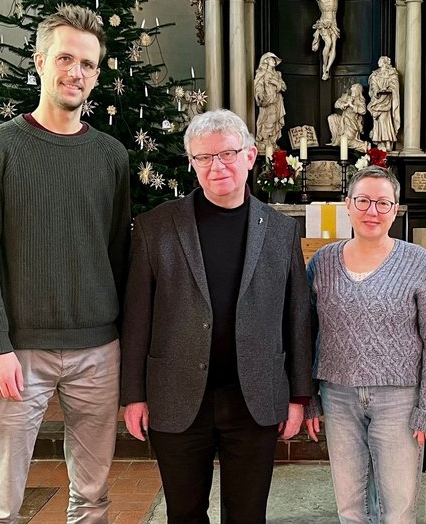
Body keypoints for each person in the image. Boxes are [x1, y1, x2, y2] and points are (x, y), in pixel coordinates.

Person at [0, 5, 130, 523]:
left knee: (93, 495)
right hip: (19, 354)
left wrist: (124, 337)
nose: (75, 72)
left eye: (87, 63)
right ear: (40, 61)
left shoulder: (111, 155)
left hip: (98, 352)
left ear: (97, 74)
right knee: (2, 501)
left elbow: (117, 255)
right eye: (65, 58)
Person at [120, 109, 312, 523]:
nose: (216, 166)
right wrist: (133, 393)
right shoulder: (156, 227)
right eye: (203, 158)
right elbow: (137, 317)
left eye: (226, 154)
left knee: (247, 514)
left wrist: (299, 395)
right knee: (185, 513)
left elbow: (296, 317)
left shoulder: (281, 231)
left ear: (250, 155)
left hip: (254, 396)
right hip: (177, 393)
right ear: (191, 162)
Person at [304, 165, 426, 524]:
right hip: (337, 396)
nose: (373, 211)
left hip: (399, 399)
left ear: (396, 209)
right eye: (364, 201)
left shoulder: (417, 262)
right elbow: (304, 333)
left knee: (398, 509)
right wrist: (308, 398)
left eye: (383, 203)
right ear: (348, 205)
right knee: (351, 508)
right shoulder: (322, 262)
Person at [286, 0, 366, 80]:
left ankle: (328, 68)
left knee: (333, 46)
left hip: (334, 23)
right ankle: (324, 66)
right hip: (323, 22)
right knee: (328, 44)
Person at [254, 52, 287, 153]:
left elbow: (284, 87)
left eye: (274, 59)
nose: (274, 61)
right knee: (269, 120)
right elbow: (258, 85)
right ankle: (264, 140)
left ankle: (272, 141)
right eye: (272, 59)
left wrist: (276, 83)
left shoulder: (277, 74)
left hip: (277, 100)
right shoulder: (262, 73)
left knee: (275, 120)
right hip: (267, 101)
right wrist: (259, 94)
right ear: (266, 61)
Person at [367, 56, 401, 150]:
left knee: (386, 121)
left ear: (385, 62)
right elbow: (373, 85)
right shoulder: (375, 74)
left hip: (387, 100)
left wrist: (388, 89)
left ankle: (388, 141)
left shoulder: (392, 73)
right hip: (378, 100)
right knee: (378, 121)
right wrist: (377, 90)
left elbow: (394, 85)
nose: (379, 62)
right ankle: (380, 141)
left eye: (381, 60)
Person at [327, 83, 368, 152]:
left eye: (354, 87)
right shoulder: (346, 96)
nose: (352, 88)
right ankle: (336, 139)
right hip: (343, 120)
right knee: (331, 117)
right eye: (352, 87)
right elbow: (337, 104)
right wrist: (345, 104)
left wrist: (351, 105)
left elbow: (363, 111)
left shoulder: (360, 100)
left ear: (358, 90)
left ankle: (363, 145)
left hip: (352, 123)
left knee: (345, 141)